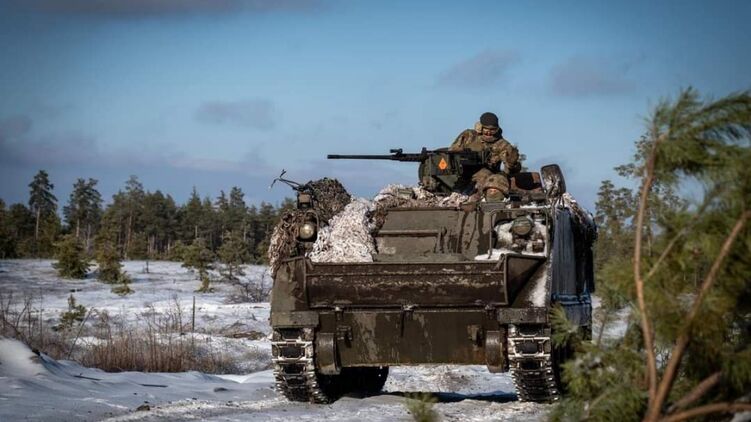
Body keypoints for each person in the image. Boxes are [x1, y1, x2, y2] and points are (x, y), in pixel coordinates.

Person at [449, 112, 521, 197]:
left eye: (493, 130)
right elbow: (451, 152)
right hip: (461, 174)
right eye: (486, 129)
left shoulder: (503, 145)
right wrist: (462, 153)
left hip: (485, 179)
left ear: (497, 129)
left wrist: (512, 164)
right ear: (480, 127)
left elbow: (511, 172)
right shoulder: (469, 136)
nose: (489, 133)